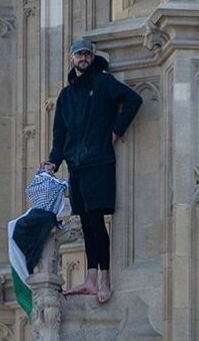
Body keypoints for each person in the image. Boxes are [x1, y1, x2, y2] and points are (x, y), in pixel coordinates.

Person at [41, 39, 142, 304]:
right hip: (77, 166)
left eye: (86, 54)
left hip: (99, 163)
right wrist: (54, 161)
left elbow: (133, 100)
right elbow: (59, 134)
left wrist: (116, 131)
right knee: (86, 223)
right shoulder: (66, 95)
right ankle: (90, 278)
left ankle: (104, 280)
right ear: (71, 57)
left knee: (97, 221)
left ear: (92, 56)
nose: (83, 58)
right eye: (79, 54)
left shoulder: (103, 82)